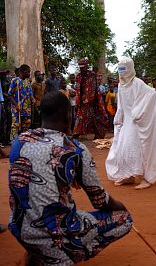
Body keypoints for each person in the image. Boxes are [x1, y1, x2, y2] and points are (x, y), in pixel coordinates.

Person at [8, 91, 132, 264]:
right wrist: (121, 206)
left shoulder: (19, 141)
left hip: (20, 229)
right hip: (55, 233)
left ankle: (37, 253)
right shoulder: (75, 149)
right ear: (68, 115)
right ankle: (64, 257)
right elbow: (100, 201)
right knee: (124, 219)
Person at [106, 57, 156, 190]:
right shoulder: (120, 85)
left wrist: (138, 112)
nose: (121, 72)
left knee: (138, 150)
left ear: (130, 68)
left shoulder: (138, 83)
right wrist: (119, 117)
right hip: (126, 123)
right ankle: (128, 176)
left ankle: (145, 178)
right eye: (120, 69)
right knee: (123, 149)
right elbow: (121, 104)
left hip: (137, 123)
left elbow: (152, 95)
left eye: (123, 69)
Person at [73, 58, 106, 139]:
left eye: (83, 66)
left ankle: (99, 134)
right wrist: (78, 101)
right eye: (80, 66)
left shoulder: (92, 75)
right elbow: (77, 89)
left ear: (87, 66)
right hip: (82, 102)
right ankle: (76, 134)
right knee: (80, 117)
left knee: (96, 117)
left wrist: (88, 99)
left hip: (94, 101)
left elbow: (93, 88)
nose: (82, 68)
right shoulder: (78, 76)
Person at [8, 64, 35, 140]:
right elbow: (9, 95)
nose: (29, 73)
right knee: (16, 125)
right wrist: (16, 105)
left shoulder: (28, 81)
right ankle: (14, 142)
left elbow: (30, 93)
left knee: (26, 125)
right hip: (17, 108)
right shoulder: (15, 81)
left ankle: (23, 141)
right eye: (28, 72)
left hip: (26, 108)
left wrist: (33, 99)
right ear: (22, 72)